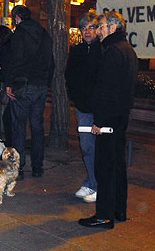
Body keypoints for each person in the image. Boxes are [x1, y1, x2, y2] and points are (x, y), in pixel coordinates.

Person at [79, 11, 138, 229]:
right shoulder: (126, 49)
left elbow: (107, 90)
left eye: (101, 26)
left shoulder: (113, 51)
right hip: (120, 117)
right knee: (117, 165)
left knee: (105, 167)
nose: (98, 31)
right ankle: (118, 210)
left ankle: (104, 215)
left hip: (110, 119)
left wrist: (100, 121)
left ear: (113, 28)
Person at [5, 5, 54, 180]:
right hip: (40, 85)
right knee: (37, 127)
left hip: (23, 85)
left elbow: (16, 60)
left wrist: (9, 83)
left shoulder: (19, 34)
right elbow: (51, 61)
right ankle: (38, 166)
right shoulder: (44, 34)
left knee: (19, 127)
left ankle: (18, 168)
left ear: (17, 17)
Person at [65, 11, 102, 203]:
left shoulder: (103, 50)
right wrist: (75, 96)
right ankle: (91, 182)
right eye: (84, 28)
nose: (87, 32)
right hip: (83, 108)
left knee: (99, 148)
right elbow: (69, 75)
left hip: (100, 109)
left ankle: (98, 185)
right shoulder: (77, 50)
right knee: (86, 146)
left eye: (91, 27)